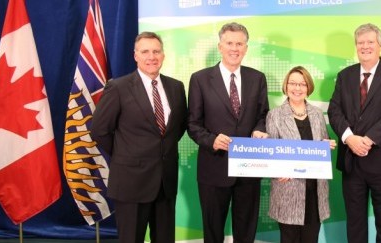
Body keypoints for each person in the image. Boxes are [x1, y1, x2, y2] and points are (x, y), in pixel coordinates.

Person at [91, 31, 188, 243]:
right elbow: (99, 129)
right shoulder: (118, 87)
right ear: (135, 56)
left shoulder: (176, 87)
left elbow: (177, 128)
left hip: (165, 182)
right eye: (145, 52)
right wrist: (125, 153)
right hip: (130, 181)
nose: (151, 57)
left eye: (156, 51)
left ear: (163, 55)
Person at [327, 23, 381, 243]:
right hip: (352, 163)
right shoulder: (345, 76)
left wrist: (369, 140)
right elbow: (334, 110)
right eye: (360, 43)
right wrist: (349, 138)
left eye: (370, 42)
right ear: (356, 46)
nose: (365, 47)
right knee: (354, 223)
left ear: (380, 45)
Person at [187, 22, 269, 243]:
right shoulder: (200, 79)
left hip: (249, 168)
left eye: (239, 44)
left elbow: (263, 115)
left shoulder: (257, 78)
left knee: (246, 231)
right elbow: (193, 124)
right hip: (214, 167)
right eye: (230, 43)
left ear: (246, 48)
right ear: (220, 46)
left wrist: (260, 130)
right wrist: (212, 140)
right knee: (213, 232)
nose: (235, 48)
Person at [266, 66, 337, 243]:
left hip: (315, 192)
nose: (297, 88)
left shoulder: (318, 114)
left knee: (311, 239)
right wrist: (277, 171)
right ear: (286, 86)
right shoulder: (274, 115)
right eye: (293, 83)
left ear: (308, 87)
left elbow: (320, 148)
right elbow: (270, 154)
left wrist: (326, 146)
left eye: (302, 84)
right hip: (288, 191)